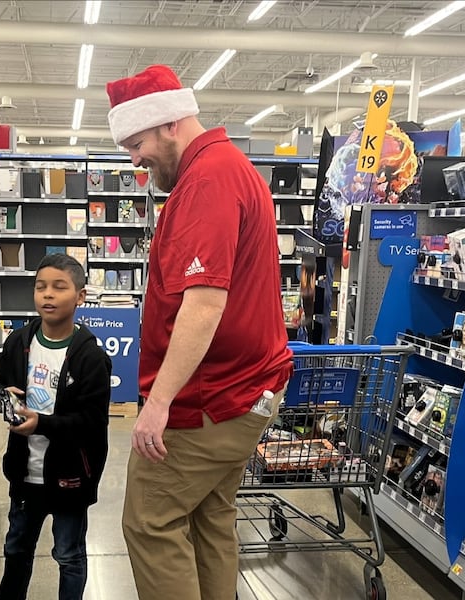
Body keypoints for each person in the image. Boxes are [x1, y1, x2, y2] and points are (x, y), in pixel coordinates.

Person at [105, 65, 295, 600]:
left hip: (208, 399)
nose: (134, 160)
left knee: (150, 521)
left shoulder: (207, 181)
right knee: (211, 517)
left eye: (136, 143)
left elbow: (204, 306)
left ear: (168, 124)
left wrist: (158, 402)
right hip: (245, 393)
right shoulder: (228, 168)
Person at [0, 253, 113, 600]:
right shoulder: (19, 343)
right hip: (24, 473)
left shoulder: (90, 358)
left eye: (59, 287)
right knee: (16, 550)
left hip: (71, 477)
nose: (48, 295)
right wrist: (2, 397)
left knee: (69, 555)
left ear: (81, 296)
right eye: (41, 286)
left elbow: (91, 423)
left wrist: (40, 423)